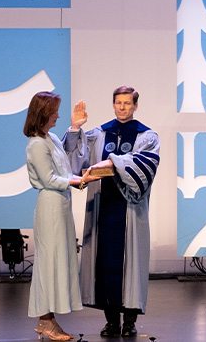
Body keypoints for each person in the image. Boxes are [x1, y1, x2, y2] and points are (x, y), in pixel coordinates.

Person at [66, 86, 160, 338]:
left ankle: (129, 322)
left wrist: (113, 162)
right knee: (104, 265)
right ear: (113, 104)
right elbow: (75, 162)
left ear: (135, 106)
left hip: (130, 211)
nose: (122, 107)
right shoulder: (99, 134)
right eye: (118, 102)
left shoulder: (147, 136)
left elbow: (146, 167)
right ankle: (111, 321)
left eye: (127, 103)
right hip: (103, 210)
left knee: (130, 265)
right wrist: (75, 129)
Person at [23, 91, 84, 341]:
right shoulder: (36, 144)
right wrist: (74, 181)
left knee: (59, 260)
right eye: (55, 111)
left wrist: (75, 127)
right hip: (50, 207)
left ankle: (49, 320)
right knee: (49, 262)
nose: (58, 115)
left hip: (60, 206)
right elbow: (48, 178)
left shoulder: (49, 138)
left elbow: (65, 152)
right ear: (44, 113)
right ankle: (45, 321)